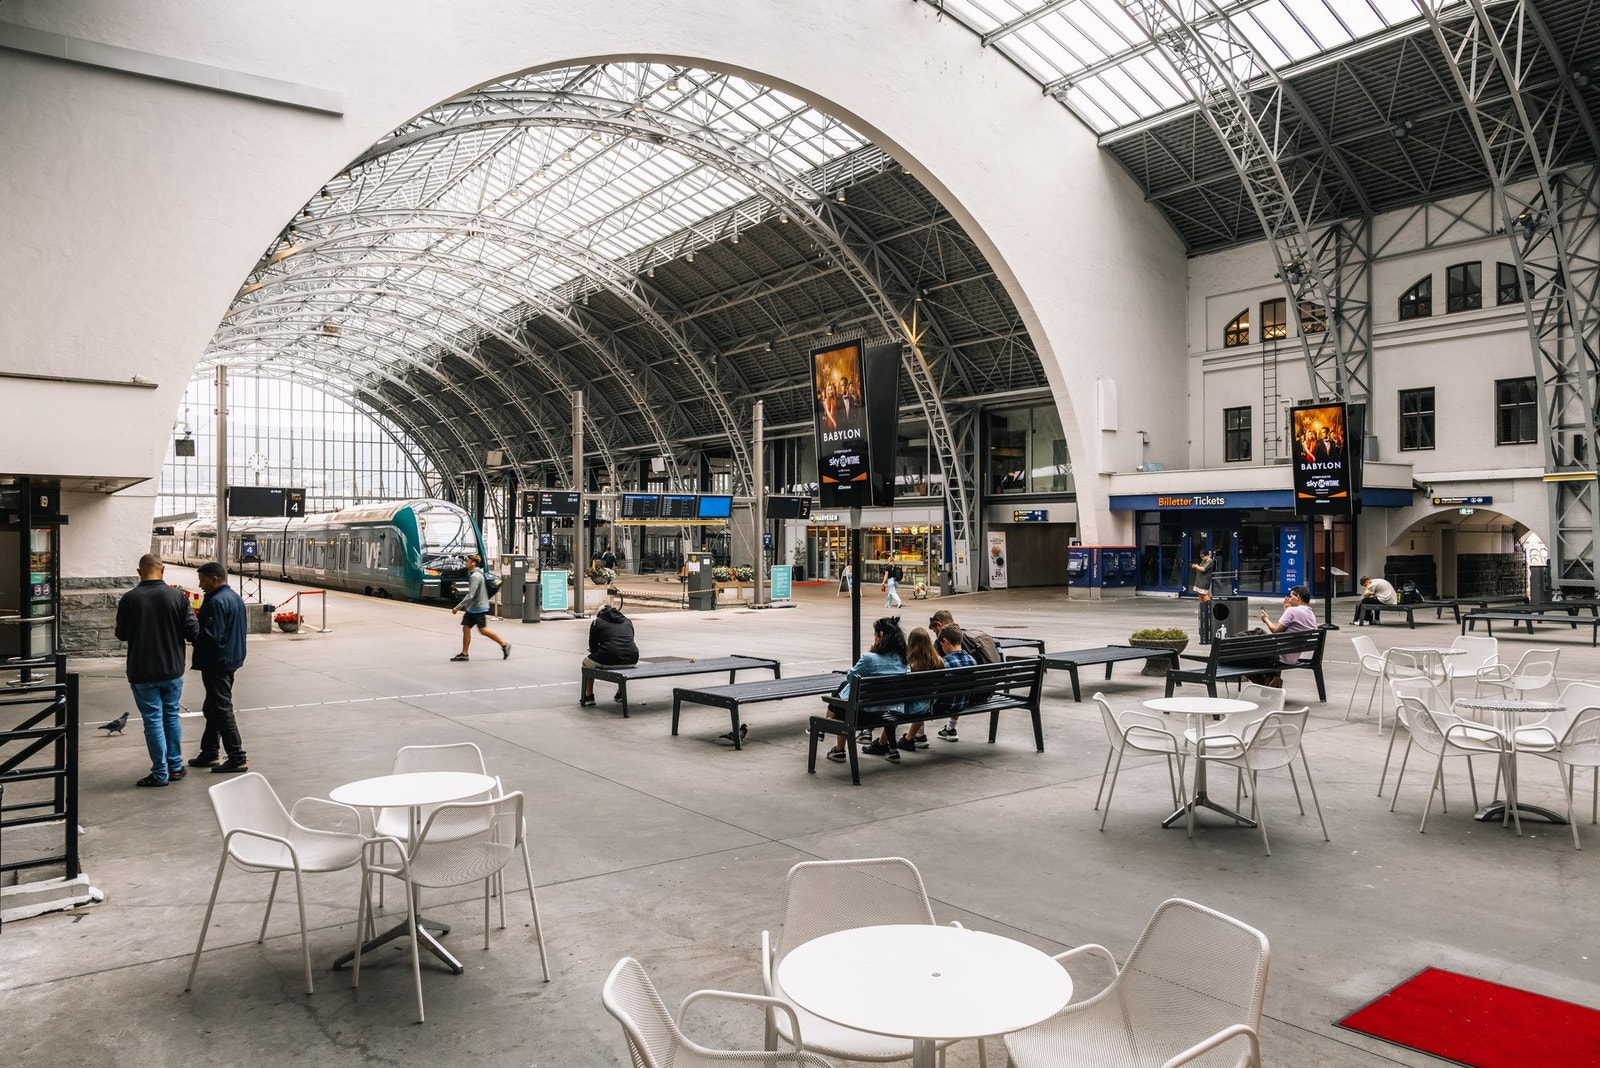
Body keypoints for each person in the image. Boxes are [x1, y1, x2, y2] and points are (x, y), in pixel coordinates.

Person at [114, 554, 198, 787]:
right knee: (171, 716)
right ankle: (176, 766)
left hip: (142, 670)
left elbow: (121, 633)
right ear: (162, 571)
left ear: (139, 571)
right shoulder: (178, 597)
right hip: (172, 669)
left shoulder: (129, 599)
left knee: (152, 721)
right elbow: (193, 632)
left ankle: (160, 773)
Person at [187, 562, 249, 773]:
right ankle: (210, 752)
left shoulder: (216, 602)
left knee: (221, 709)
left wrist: (191, 634)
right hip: (230, 659)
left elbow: (210, 637)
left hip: (217, 662)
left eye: (202, 579)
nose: (200, 584)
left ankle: (237, 757)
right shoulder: (234, 597)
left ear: (215, 578)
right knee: (212, 707)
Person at [827, 616, 908, 764]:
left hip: (861, 714)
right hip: (887, 713)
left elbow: (851, 677)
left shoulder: (870, 659)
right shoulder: (903, 661)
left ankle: (839, 750)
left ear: (880, 636)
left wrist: (872, 652)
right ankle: (891, 749)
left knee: (840, 694)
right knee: (843, 693)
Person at [927, 609, 1000, 741]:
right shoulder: (966, 637)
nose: (936, 634)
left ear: (938, 625)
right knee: (960, 684)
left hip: (965, 698)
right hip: (986, 692)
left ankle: (918, 736)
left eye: (934, 630)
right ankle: (950, 728)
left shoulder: (941, 642)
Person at [1253, 585, 1318, 686]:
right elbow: (1289, 630)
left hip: (1281, 656)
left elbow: (1275, 630)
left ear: (1298, 597)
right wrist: (1286, 610)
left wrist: (1265, 619)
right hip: (1292, 656)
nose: (1289, 599)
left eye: (1291, 596)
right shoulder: (1311, 614)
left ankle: (1269, 680)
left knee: (1249, 649)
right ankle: (1271, 678)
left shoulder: (1293, 611)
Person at [891, 626, 943, 752]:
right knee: (923, 699)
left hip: (912, 706)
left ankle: (884, 744)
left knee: (895, 707)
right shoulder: (938, 661)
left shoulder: (910, 665)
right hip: (931, 703)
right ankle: (914, 737)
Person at [580, 595, 639, 705]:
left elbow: (592, 646)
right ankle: (620, 693)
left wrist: (599, 651)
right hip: (632, 658)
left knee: (586, 663)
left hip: (609, 657)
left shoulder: (597, 622)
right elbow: (629, 640)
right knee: (621, 657)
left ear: (600, 614)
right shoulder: (627, 621)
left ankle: (589, 695)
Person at [450, 554, 510, 661]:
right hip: (473, 608)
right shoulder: (476, 574)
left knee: (483, 630)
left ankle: (504, 644)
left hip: (478, 608)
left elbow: (470, 595)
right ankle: (464, 653)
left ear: (473, 563)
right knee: (466, 628)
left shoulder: (475, 577)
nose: (465, 562)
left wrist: (457, 607)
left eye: (467, 561)